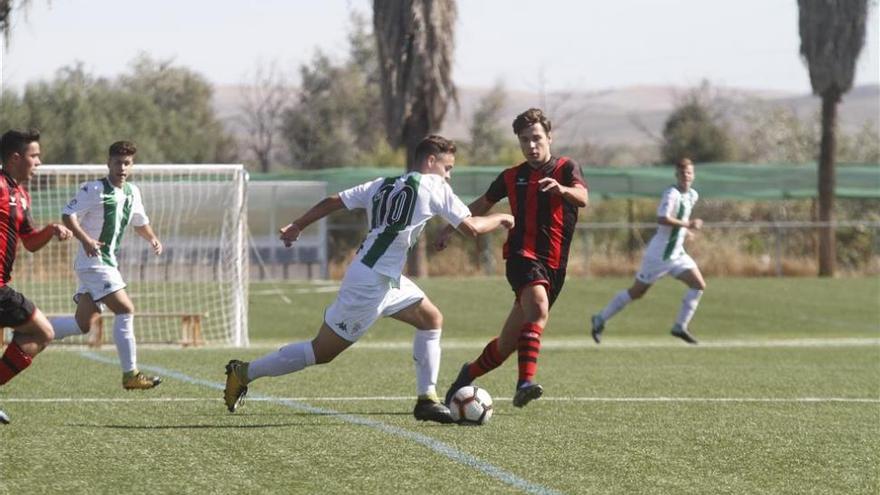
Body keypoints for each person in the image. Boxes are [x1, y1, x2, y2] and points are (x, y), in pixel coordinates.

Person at [223, 135, 514, 423]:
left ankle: (427, 399)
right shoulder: (433, 184)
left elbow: (333, 201)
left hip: (384, 278)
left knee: (431, 319)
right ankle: (243, 372)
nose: (448, 176)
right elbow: (472, 228)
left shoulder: (382, 184)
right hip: (369, 284)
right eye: (447, 168)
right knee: (320, 351)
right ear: (431, 161)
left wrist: (298, 225)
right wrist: (503, 219)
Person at [438, 108, 588, 408]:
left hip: (554, 266)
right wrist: (451, 226)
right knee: (539, 309)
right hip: (522, 257)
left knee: (507, 344)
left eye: (536, 139)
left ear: (549, 137)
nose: (531, 146)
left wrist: (560, 189)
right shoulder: (511, 176)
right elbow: (482, 203)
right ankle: (524, 383)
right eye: (524, 140)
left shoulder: (566, 168)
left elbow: (583, 197)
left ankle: (466, 375)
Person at [50, 141, 164, 389]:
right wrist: (86, 239)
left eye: (126, 163)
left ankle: (34, 331)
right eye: (117, 162)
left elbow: (139, 222)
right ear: (108, 163)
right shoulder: (93, 189)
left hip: (108, 262)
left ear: (132, 165)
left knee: (82, 324)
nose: (121, 167)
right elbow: (67, 215)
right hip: (94, 262)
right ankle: (130, 374)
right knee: (125, 308)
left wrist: (152, 238)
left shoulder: (133, 192)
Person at [590, 157, 706, 344]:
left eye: (689, 173)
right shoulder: (671, 194)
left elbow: (678, 219)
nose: (686, 176)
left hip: (677, 253)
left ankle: (680, 326)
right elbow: (662, 218)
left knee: (698, 284)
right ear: (677, 174)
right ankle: (600, 318)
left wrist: (685, 232)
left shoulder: (693, 195)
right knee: (637, 292)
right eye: (683, 173)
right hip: (659, 255)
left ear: (693, 175)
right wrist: (688, 224)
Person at [0, 129, 73, 424]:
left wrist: (51, 230)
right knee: (42, 332)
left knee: (40, 332)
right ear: (16, 158)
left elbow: (29, 240)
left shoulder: (21, 194)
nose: (39, 162)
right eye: (34, 156)